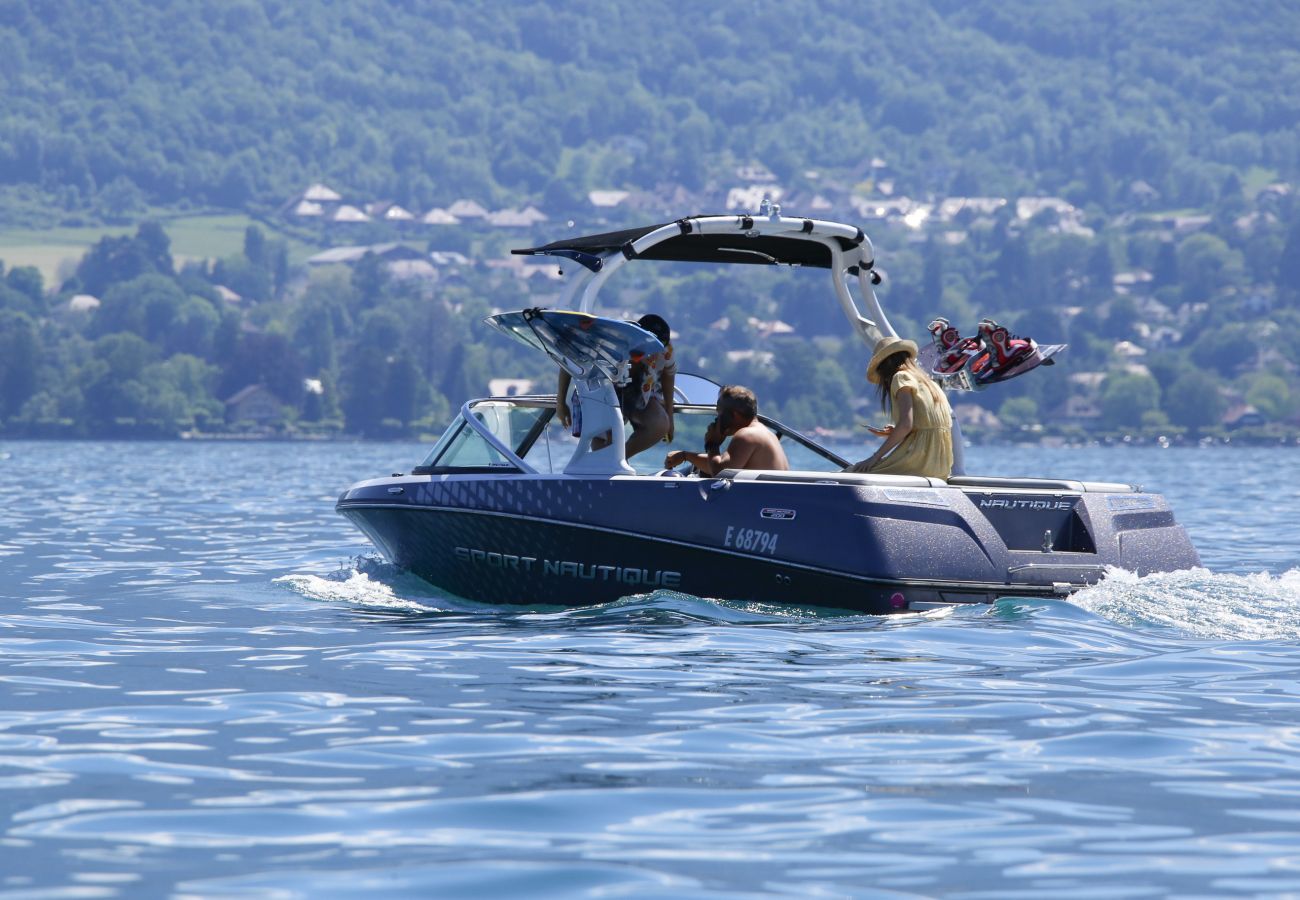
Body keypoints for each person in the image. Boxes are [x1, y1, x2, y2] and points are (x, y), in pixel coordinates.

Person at [556, 313, 676, 460]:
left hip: (638, 393)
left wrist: (670, 415)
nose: (654, 354)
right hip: (601, 394)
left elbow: (668, 374)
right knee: (604, 442)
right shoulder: (607, 342)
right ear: (638, 339)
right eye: (649, 349)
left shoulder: (664, 348)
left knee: (659, 424)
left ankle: (618, 460)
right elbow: (569, 359)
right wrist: (560, 402)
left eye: (657, 349)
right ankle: (607, 464)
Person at [845, 336, 953, 479]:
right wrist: (896, 431)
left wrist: (875, 457)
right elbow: (929, 423)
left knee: (849, 475)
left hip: (920, 462)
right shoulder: (929, 382)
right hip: (940, 465)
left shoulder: (901, 377)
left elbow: (906, 425)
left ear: (884, 366)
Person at [664, 384, 789, 476]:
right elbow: (720, 464)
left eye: (719, 412)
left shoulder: (747, 435)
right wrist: (685, 456)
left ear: (734, 415)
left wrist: (713, 443)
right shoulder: (765, 433)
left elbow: (720, 472)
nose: (717, 419)